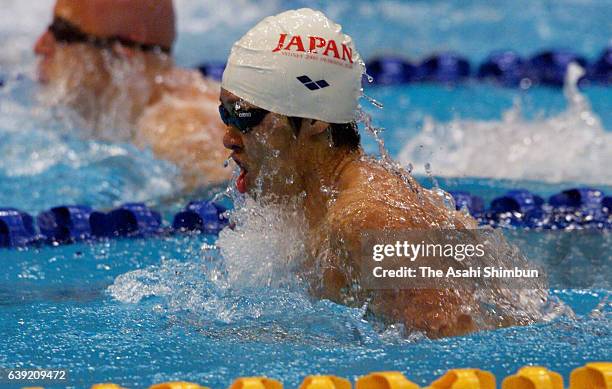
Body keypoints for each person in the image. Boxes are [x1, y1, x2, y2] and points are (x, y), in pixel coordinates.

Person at [218, 8, 498, 338]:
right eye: (225, 112)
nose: (229, 137)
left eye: (244, 116)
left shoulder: (370, 217)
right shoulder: (305, 204)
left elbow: (456, 345)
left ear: (314, 119)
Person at [34, 0, 230, 189]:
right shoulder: (137, 112)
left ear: (123, 48)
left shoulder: (180, 133)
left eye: (61, 32)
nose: (39, 46)